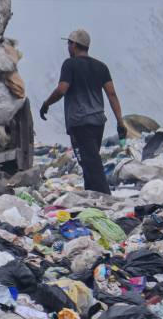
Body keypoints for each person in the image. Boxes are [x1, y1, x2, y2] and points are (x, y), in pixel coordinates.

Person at [39, 29, 127, 195]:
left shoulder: (70, 64)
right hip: (97, 123)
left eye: (68, 44)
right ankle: (93, 198)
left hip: (80, 124)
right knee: (90, 162)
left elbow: (62, 89)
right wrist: (120, 121)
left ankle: (104, 198)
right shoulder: (101, 67)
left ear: (74, 45)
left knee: (90, 163)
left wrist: (46, 103)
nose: (67, 47)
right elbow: (112, 94)